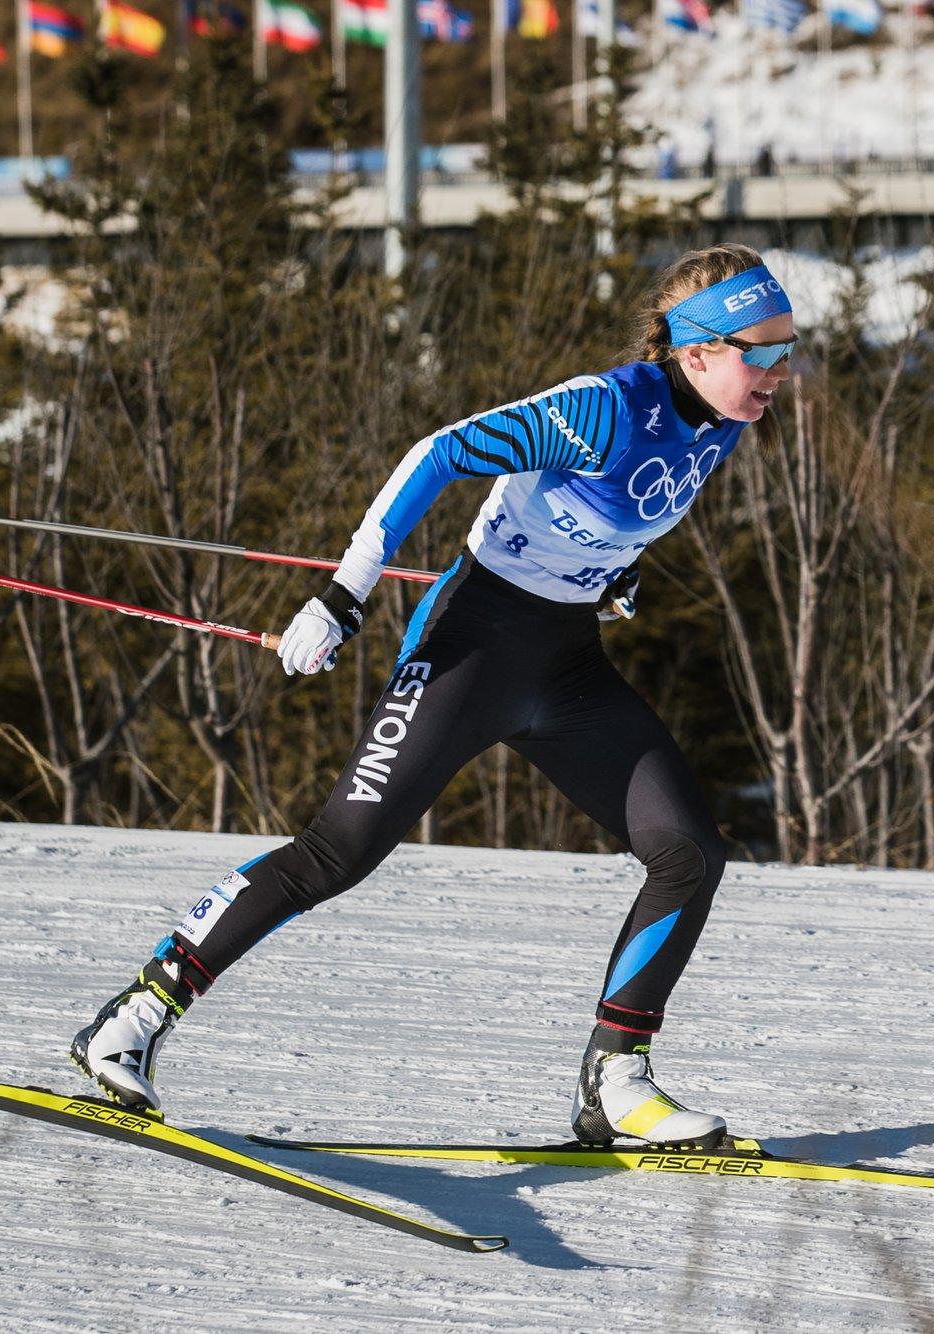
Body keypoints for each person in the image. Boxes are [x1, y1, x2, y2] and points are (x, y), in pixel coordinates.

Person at [71, 243, 797, 1147]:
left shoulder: (723, 419)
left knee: (688, 853)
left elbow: (601, 513)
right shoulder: (602, 408)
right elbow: (440, 453)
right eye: (764, 352)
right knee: (333, 855)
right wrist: (343, 594)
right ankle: (134, 1017)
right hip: (469, 651)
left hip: (566, 664)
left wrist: (613, 570)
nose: (780, 371)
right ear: (696, 350)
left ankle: (616, 1082)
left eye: (788, 351)